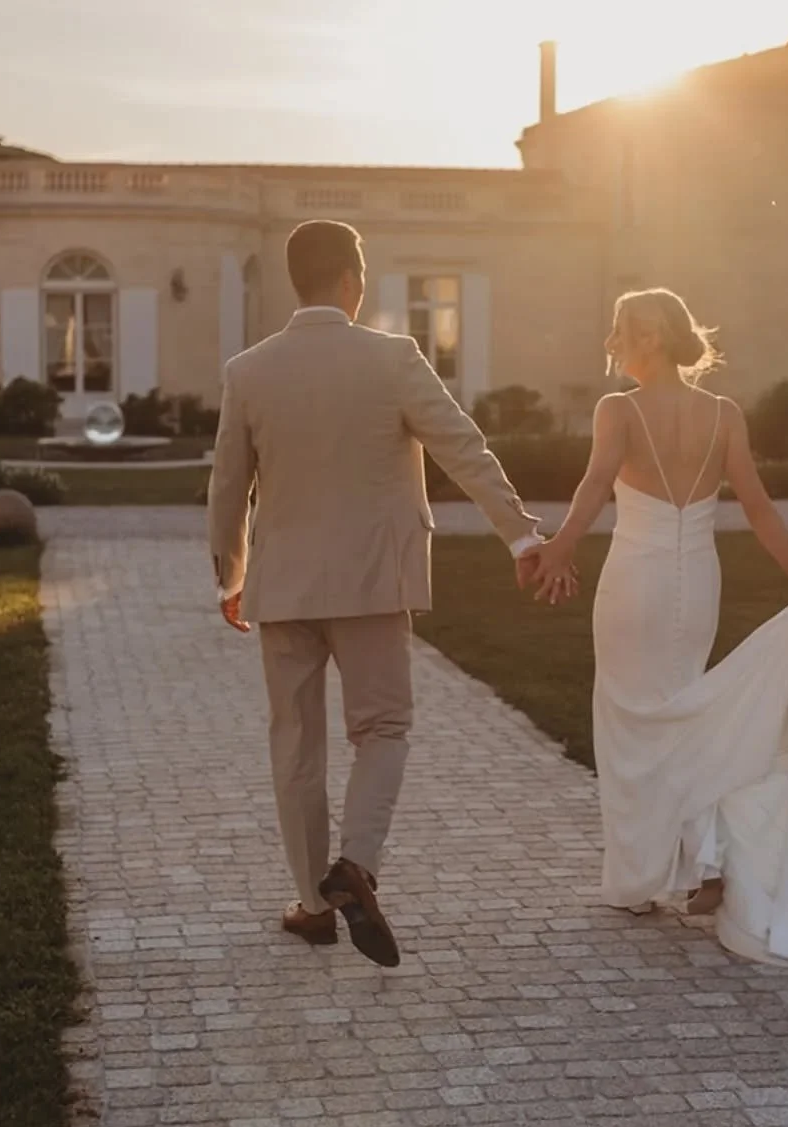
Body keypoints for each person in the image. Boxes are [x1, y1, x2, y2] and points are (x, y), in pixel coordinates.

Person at [526, 288, 788, 985]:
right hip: (696, 583)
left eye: (622, 333)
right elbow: (757, 507)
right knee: (688, 716)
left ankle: (640, 879)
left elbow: (595, 485)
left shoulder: (619, 411)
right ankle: (707, 867)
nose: (615, 344)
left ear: (650, 339)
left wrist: (561, 547)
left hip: (635, 583)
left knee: (634, 722)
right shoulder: (723, 415)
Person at [207, 220, 559, 966]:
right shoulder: (394, 358)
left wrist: (231, 574)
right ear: (350, 281)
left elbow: (228, 485)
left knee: (295, 746)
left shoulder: (249, 370)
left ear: (296, 279)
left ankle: (313, 905)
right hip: (374, 581)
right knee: (384, 730)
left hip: (285, 587)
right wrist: (522, 536)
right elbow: (464, 446)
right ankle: (356, 867)